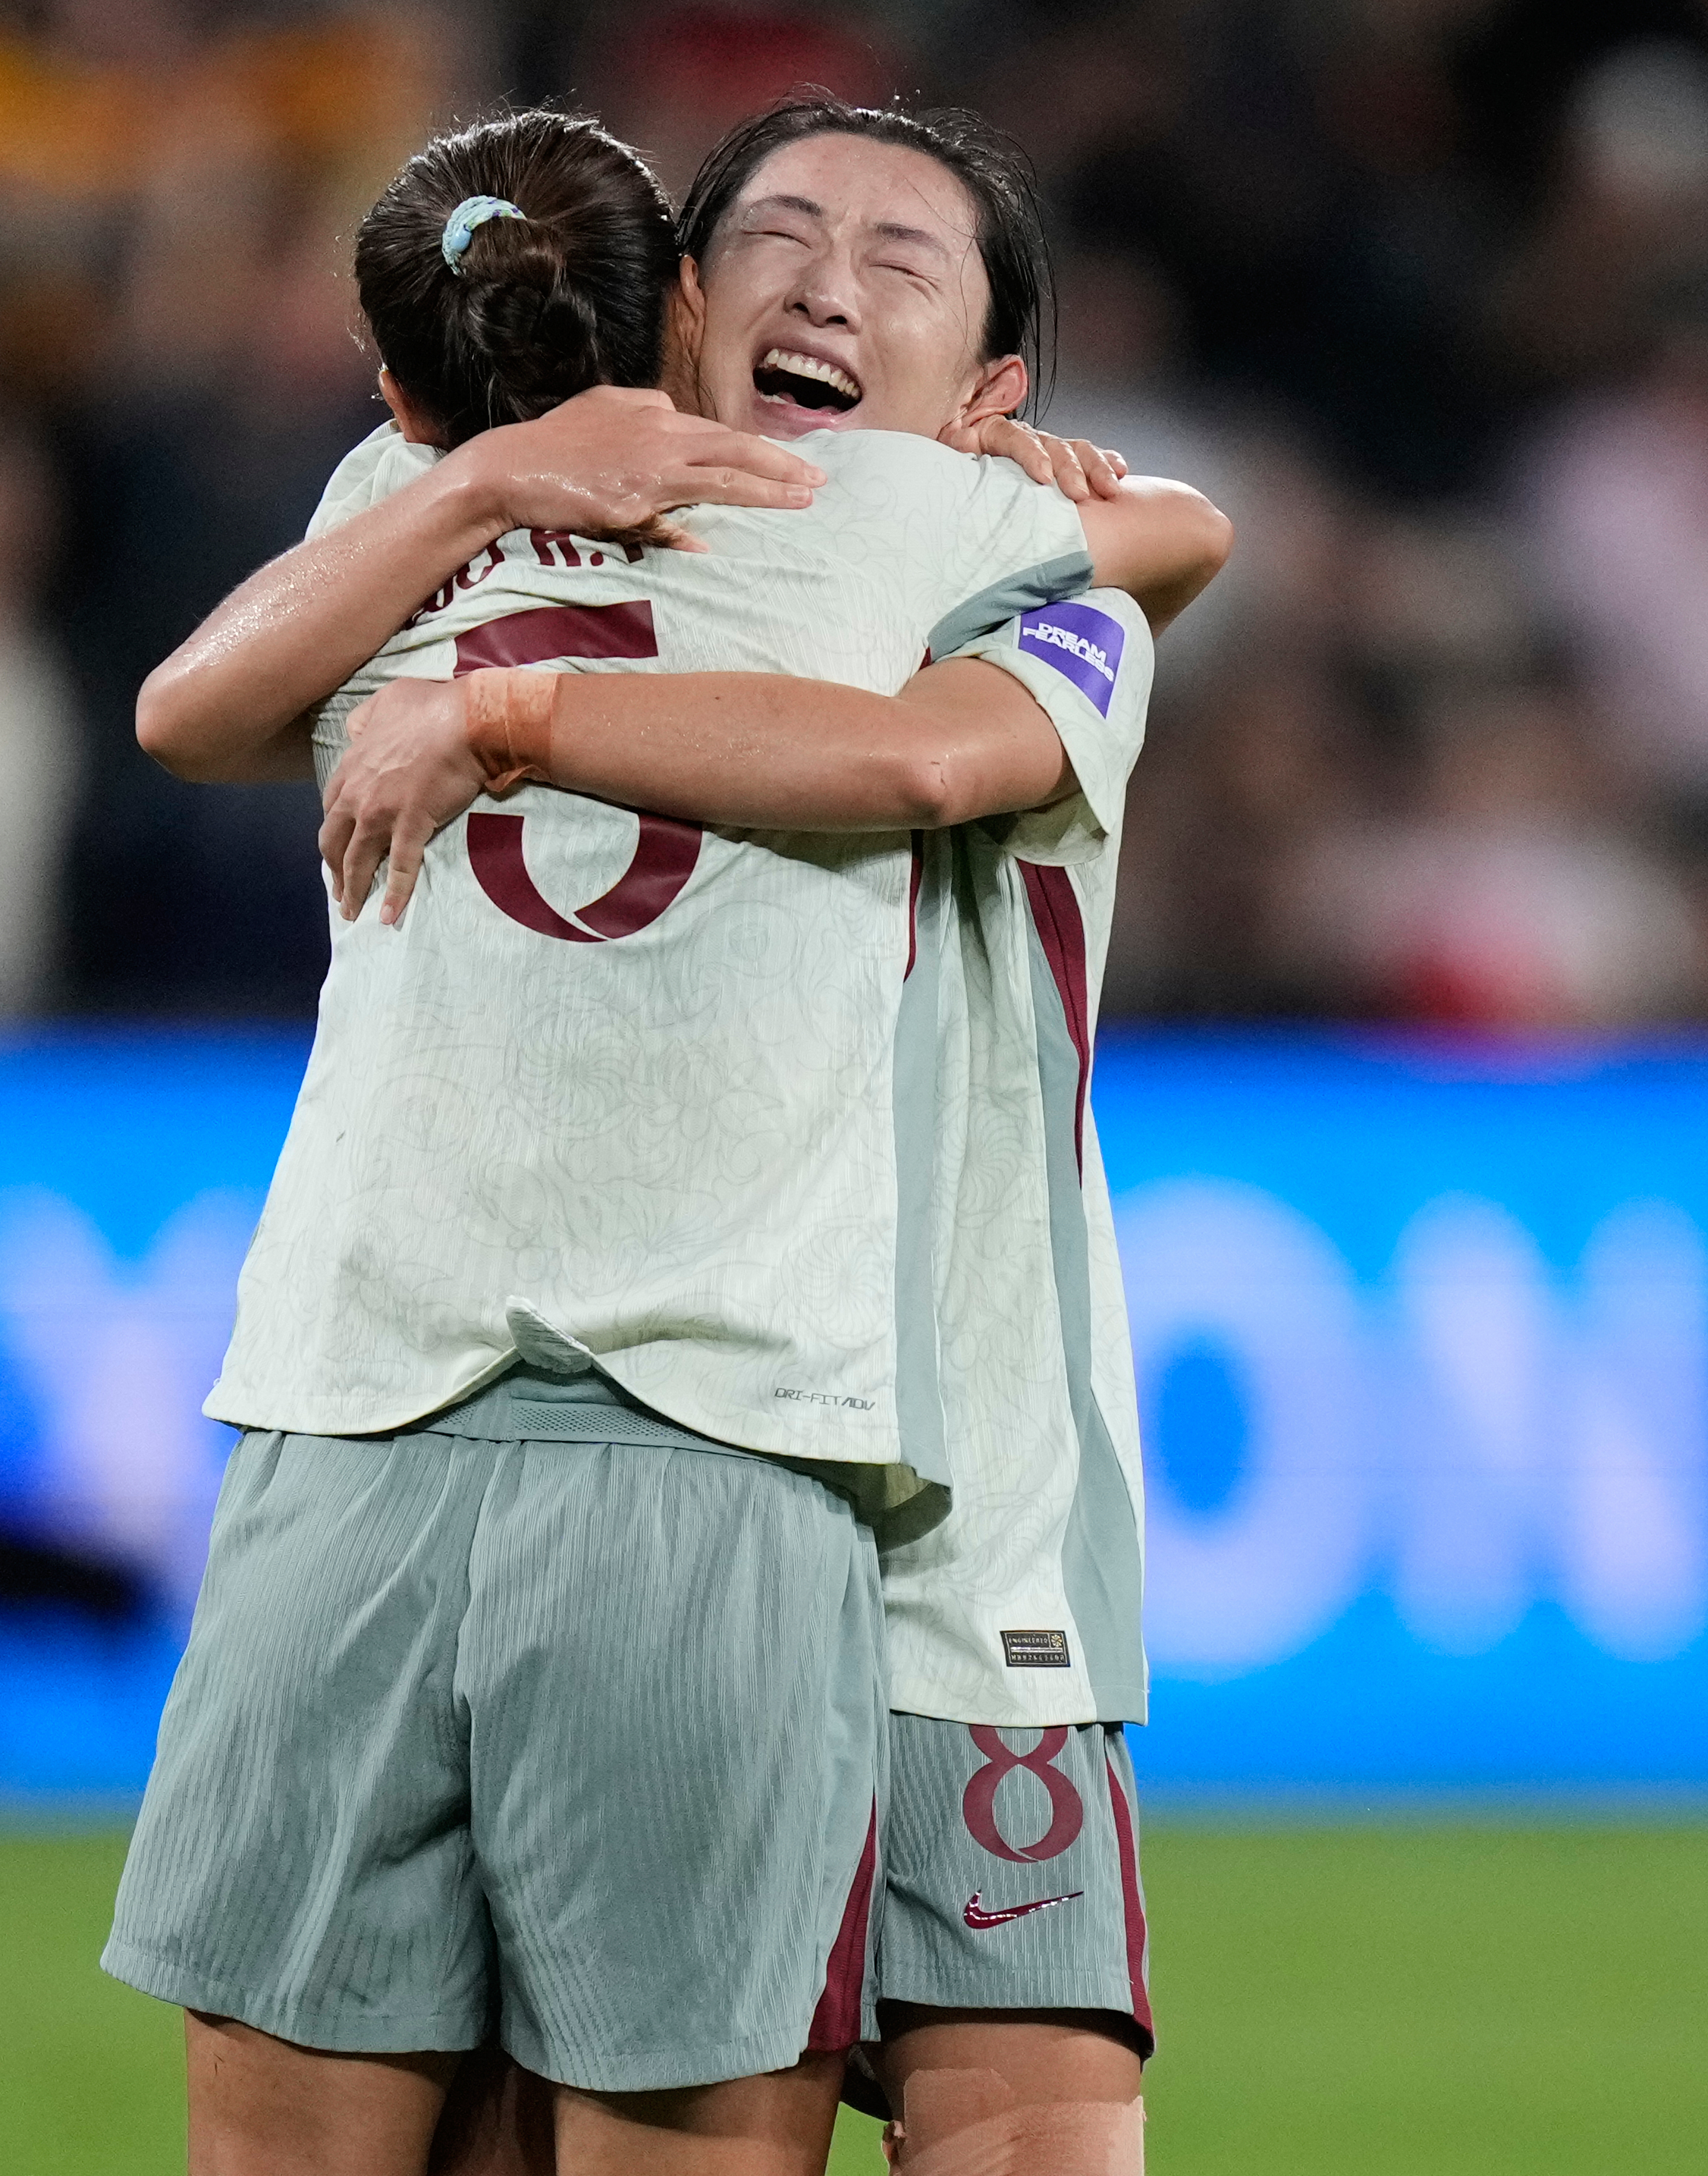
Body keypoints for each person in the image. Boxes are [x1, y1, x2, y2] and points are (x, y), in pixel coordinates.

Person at [105, 106, 1220, 2176]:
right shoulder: (465, 514)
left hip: (950, 1507)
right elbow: (194, 705)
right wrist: (504, 480)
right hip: (665, 1441)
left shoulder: (1011, 577)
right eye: (775, 235)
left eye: (900, 261)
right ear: (678, 301)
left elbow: (961, 712)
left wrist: (510, 707)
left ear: (989, 395)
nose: (824, 281)